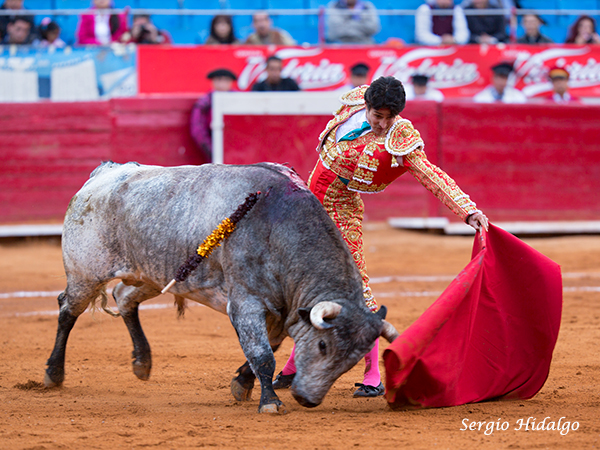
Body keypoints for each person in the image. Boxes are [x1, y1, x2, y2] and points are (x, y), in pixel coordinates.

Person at [273, 76, 489, 398]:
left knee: (355, 286)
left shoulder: (401, 139)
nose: (383, 124)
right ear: (367, 106)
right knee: (302, 284)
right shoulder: (353, 103)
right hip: (309, 205)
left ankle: (373, 373)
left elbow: (433, 176)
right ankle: (292, 365)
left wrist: (467, 211)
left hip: (341, 210)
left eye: (390, 118)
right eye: (378, 116)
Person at [190, 68, 237, 163]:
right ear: (213, 82)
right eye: (219, 80)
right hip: (214, 147)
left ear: (231, 82)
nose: (222, 84)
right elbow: (198, 130)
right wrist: (213, 150)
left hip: (238, 149)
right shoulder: (204, 103)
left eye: (225, 80)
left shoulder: (240, 99)